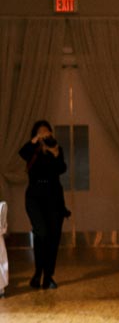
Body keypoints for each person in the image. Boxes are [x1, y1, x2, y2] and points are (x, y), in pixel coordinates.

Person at [19, 120, 68, 290]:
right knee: (42, 232)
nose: (45, 134)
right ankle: (38, 272)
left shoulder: (56, 148)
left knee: (53, 237)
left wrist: (54, 153)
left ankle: (48, 276)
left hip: (53, 197)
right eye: (41, 132)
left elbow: (62, 168)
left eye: (47, 131)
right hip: (35, 197)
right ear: (36, 135)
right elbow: (22, 153)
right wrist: (35, 140)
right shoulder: (32, 150)